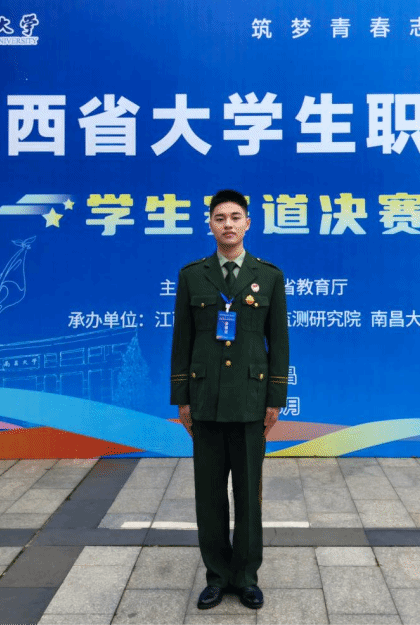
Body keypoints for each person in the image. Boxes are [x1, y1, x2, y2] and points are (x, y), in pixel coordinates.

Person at [170, 189, 289, 610]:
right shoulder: (193, 275)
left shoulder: (268, 276)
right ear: (210, 225)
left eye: (235, 217)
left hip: (251, 400)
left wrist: (275, 397)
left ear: (248, 223)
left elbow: (279, 342)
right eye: (220, 218)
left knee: (248, 494)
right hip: (204, 400)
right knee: (209, 495)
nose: (228, 224)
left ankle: (246, 576)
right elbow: (181, 340)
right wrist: (182, 397)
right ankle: (218, 576)